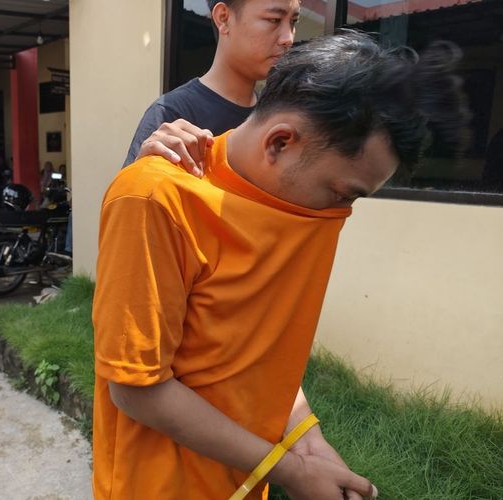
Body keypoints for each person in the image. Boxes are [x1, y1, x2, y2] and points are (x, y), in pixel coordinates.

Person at [92, 31, 469, 500]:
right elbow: (136, 388)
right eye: (342, 193)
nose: (341, 212)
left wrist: (308, 445)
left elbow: (265, 351)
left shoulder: (305, 209)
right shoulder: (155, 199)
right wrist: (289, 470)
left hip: (246, 480)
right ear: (280, 142)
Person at [124, 0, 300, 171]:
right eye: (274, 20)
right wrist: (143, 169)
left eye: (293, 22)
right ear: (223, 18)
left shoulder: (280, 117)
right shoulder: (171, 113)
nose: (288, 38)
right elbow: (132, 189)